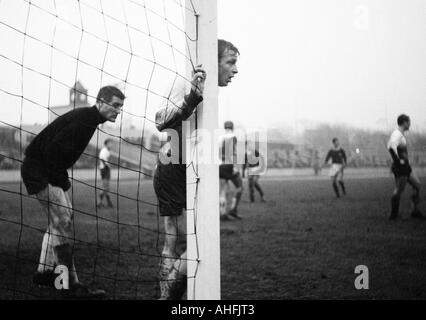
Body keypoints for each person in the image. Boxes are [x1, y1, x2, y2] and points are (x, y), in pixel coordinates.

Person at [154, 39, 239, 299]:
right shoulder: (186, 82)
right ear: (213, 62)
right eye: (231, 62)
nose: (235, 70)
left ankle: (171, 294)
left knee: (196, 242)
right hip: (173, 172)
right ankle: (168, 294)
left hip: (195, 173)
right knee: (186, 242)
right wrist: (192, 95)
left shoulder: (212, 92)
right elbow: (161, 121)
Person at [21, 85, 125, 298]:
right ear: (101, 101)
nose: (118, 110)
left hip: (45, 169)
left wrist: (62, 180)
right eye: (115, 105)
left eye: (120, 107)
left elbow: (56, 152)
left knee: (61, 218)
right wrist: (62, 181)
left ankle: (44, 272)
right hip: (38, 169)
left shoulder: (90, 119)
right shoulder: (85, 119)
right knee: (62, 220)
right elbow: (52, 152)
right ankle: (69, 283)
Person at [387, 114, 424, 220]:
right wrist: (398, 161)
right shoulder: (397, 134)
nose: (410, 124)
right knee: (398, 190)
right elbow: (390, 146)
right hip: (401, 168)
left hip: (406, 167)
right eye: (409, 122)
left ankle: (414, 211)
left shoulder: (400, 134)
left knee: (417, 185)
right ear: (404, 122)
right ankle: (394, 215)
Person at [219, 121, 244, 220]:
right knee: (240, 188)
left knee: (223, 191)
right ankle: (233, 210)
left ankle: (222, 213)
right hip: (229, 165)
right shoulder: (232, 137)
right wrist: (234, 166)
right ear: (232, 128)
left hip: (220, 166)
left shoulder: (220, 137)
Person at [97, 138, 113, 208]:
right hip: (104, 169)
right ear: (106, 144)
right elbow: (102, 158)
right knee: (105, 186)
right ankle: (99, 202)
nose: (111, 144)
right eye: (110, 143)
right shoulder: (104, 150)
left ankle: (109, 202)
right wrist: (106, 165)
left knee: (107, 187)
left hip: (106, 169)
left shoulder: (107, 150)